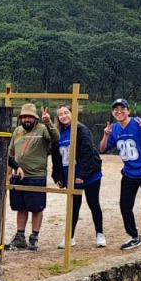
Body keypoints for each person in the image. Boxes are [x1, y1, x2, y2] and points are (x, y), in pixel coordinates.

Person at [100, 98, 141, 251]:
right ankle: (134, 236)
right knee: (125, 205)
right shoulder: (114, 129)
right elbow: (102, 149)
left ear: (128, 111)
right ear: (112, 113)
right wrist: (105, 135)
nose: (119, 112)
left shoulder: (138, 122)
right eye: (116, 110)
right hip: (129, 172)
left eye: (122, 109)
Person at [50, 105, 105, 248]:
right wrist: (57, 177)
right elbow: (56, 157)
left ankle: (100, 234)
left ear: (72, 114)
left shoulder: (81, 130)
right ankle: (70, 237)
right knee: (73, 207)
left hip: (89, 174)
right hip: (70, 175)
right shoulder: (57, 133)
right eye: (60, 114)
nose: (64, 116)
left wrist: (83, 174)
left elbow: (88, 152)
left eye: (66, 113)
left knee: (93, 203)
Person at [7, 103, 58, 250]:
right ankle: (20, 236)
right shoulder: (17, 131)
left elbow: (55, 137)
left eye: (30, 117)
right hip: (18, 176)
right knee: (20, 207)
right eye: (24, 117)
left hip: (37, 175)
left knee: (36, 208)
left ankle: (34, 236)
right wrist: (9, 174)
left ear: (35, 118)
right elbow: (11, 153)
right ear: (20, 118)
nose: (27, 119)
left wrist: (48, 122)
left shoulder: (42, 129)